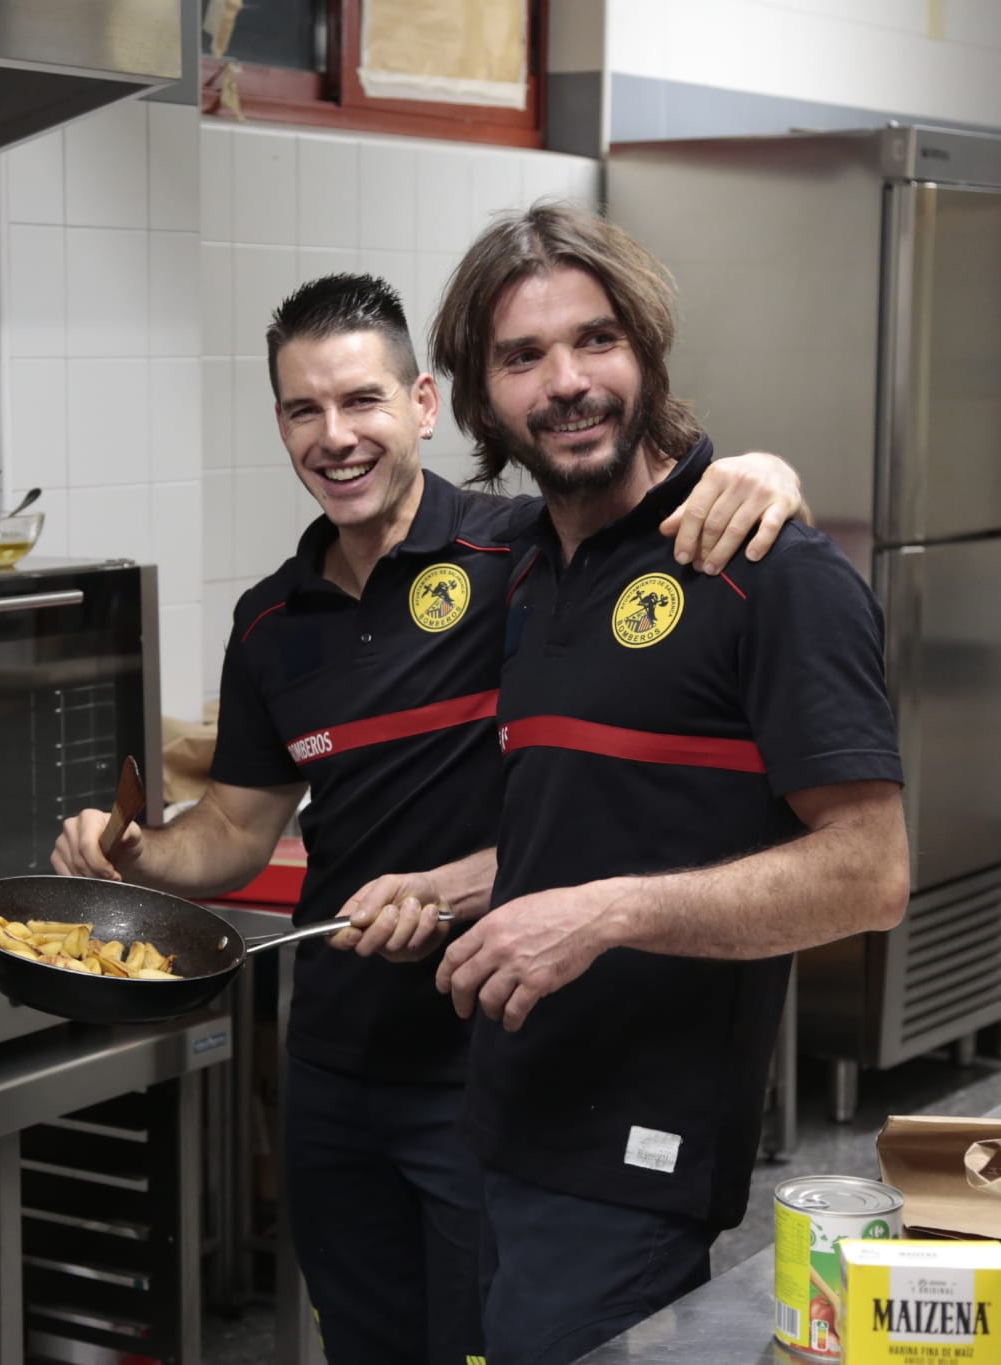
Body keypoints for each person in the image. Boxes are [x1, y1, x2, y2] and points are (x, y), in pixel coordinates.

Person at [50, 274, 811, 1365]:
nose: (334, 436)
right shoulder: (271, 622)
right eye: (302, 411)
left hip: (497, 1066)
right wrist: (133, 856)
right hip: (336, 1062)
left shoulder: (527, 554)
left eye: (359, 402)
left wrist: (762, 470)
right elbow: (233, 831)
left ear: (419, 402)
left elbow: (668, 540)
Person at [346, 205, 909, 1365]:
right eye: (521, 356)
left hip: (638, 1150)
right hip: (506, 1113)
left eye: (595, 340)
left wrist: (605, 915)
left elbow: (870, 874)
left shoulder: (767, 570)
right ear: (476, 398)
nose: (565, 381)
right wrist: (451, 889)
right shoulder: (531, 573)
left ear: (647, 353)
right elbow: (591, 828)